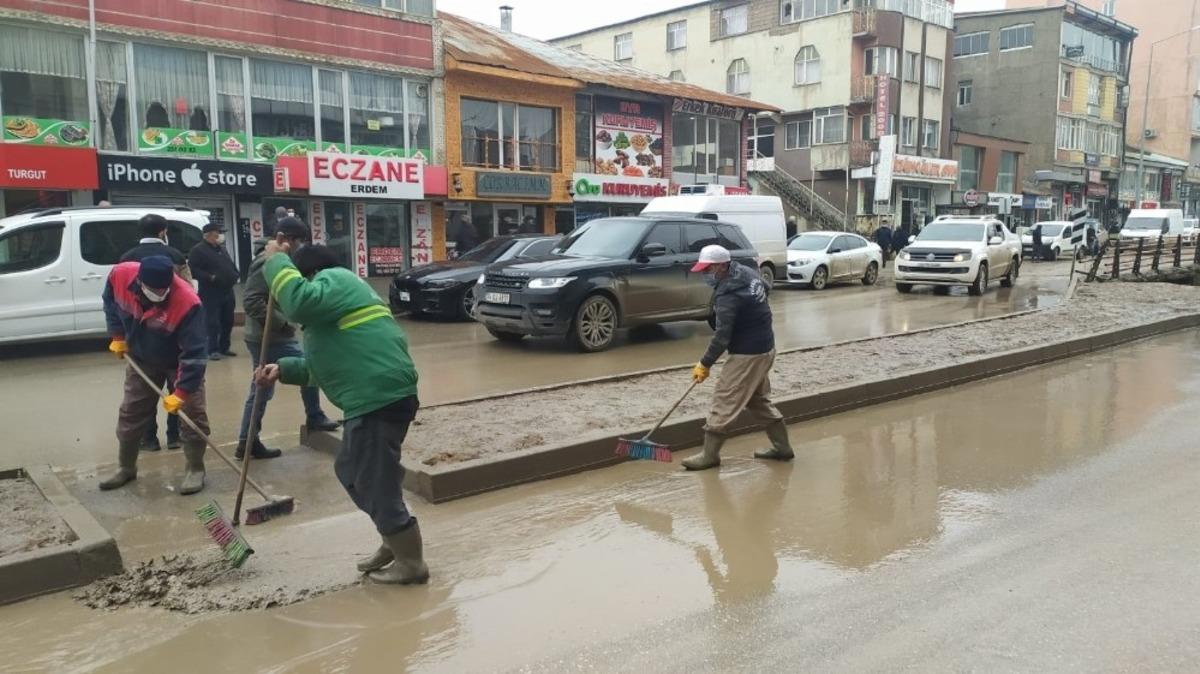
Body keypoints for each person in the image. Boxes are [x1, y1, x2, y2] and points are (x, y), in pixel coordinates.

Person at [256, 242, 426, 584]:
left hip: (378, 398)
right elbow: (326, 369)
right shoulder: (336, 306)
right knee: (352, 469)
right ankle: (392, 540)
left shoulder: (336, 279)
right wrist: (284, 369)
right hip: (375, 395)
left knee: (373, 481)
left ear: (311, 274)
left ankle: (412, 563)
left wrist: (275, 261)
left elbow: (298, 301)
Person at [100, 256, 210, 495]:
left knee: (192, 413)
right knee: (131, 410)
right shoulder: (120, 276)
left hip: (178, 362)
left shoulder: (188, 302)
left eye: (164, 289)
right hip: (142, 358)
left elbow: (195, 354)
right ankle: (126, 467)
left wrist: (181, 392)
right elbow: (110, 301)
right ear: (140, 282)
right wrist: (117, 334)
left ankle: (195, 468)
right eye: (155, 290)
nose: (161, 293)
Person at [682, 245, 792, 471]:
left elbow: (722, 337)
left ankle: (709, 455)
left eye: (708, 269)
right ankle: (782, 448)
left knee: (725, 398)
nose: (705, 275)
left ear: (722, 266)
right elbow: (766, 288)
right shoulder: (746, 272)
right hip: (765, 347)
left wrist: (704, 364)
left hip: (748, 354)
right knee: (757, 400)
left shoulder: (728, 295)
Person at [237, 217, 339, 460]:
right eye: (298, 241)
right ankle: (250, 440)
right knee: (294, 373)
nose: (300, 247)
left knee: (265, 386)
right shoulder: (266, 262)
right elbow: (251, 302)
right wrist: (282, 323)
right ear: (285, 239)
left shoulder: (280, 260)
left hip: (272, 334)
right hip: (268, 336)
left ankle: (248, 440)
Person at [119, 214, 190, 452]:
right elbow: (189, 296)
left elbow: (120, 301)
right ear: (163, 232)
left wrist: (121, 335)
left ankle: (148, 439)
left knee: (144, 392)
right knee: (177, 391)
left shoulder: (125, 259)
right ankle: (175, 436)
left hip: (141, 341)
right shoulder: (176, 257)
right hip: (175, 339)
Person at [188, 223, 240, 360]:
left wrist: (235, 273)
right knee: (212, 322)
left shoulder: (221, 249)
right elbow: (193, 270)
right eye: (218, 232)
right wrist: (210, 277)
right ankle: (212, 349)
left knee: (227, 320)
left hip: (227, 290)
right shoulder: (198, 250)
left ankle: (224, 347)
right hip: (210, 292)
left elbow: (229, 264)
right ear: (209, 234)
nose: (220, 235)